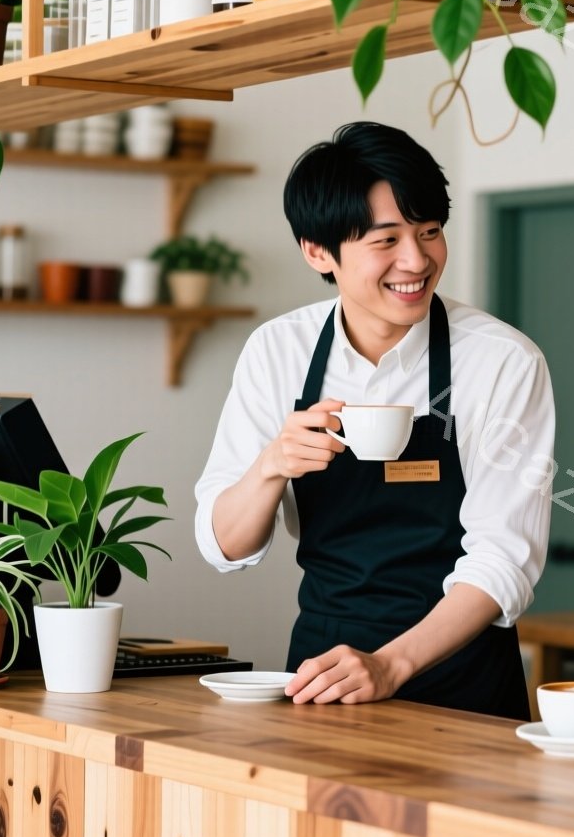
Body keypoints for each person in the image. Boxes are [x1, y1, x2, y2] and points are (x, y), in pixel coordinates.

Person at [194, 122, 554, 721]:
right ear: (317, 251)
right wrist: (270, 467)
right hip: (324, 676)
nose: (416, 260)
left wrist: (390, 665)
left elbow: (503, 561)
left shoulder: (501, 361)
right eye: (385, 241)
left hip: (463, 688)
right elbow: (224, 544)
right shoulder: (278, 350)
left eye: (430, 232)